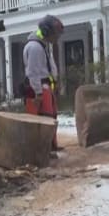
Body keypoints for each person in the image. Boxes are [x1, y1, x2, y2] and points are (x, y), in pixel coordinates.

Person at [21, 15, 64, 150]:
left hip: (46, 87)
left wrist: (55, 82)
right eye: (55, 34)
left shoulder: (43, 44)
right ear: (47, 31)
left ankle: (51, 147)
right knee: (41, 121)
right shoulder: (34, 47)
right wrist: (38, 93)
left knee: (50, 118)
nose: (57, 37)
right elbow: (33, 72)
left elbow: (48, 67)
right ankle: (41, 150)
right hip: (38, 88)